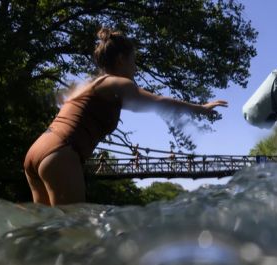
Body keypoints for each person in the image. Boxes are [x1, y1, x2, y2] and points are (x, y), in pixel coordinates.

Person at [24, 28, 228, 206]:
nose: (136, 69)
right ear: (121, 59)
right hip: (61, 153)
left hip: (37, 150)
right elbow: (159, 101)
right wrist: (200, 108)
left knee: (46, 235)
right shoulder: (117, 83)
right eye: (134, 62)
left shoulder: (89, 84)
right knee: (73, 237)